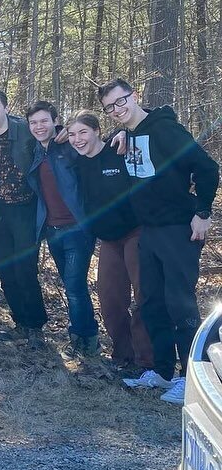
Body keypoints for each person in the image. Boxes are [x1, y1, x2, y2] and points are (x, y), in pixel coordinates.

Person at [98, 78, 219, 404]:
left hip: (179, 229)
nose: (117, 109)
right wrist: (122, 134)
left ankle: (192, 378)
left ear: (134, 95)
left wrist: (203, 212)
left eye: (121, 101)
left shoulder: (166, 131)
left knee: (180, 304)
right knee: (151, 302)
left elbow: (207, 168)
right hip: (149, 230)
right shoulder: (131, 133)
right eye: (110, 107)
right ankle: (164, 373)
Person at [66, 110, 153, 371]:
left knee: (143, 295)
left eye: (83, 132)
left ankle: (147, 360)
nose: (77, 139)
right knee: (110, 298)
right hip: (107, 239)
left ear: (97, 131)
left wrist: (125, 133)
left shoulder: (119, 151)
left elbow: (144, 129)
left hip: (136, 232)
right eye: (72, 134)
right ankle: (122, 355)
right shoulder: (78, 162)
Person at [26, 101, 99, 358]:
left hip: (77, 228)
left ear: (55, 121)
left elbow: (95, 151)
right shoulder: (36, 151)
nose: (38, 127)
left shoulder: (69, 147)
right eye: (33, 123)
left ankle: (86, 339)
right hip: (53, 230)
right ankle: (82, 335)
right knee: (71, 285)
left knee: (74, 285)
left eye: (43, 121)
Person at [0, 89, 46, 348]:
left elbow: (50, 132)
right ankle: (20, 324)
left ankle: (36, 327)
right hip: (0, 208)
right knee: (5, 269)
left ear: (5, 107)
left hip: (25, 207)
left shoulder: (25, 130)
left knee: (25, 269)